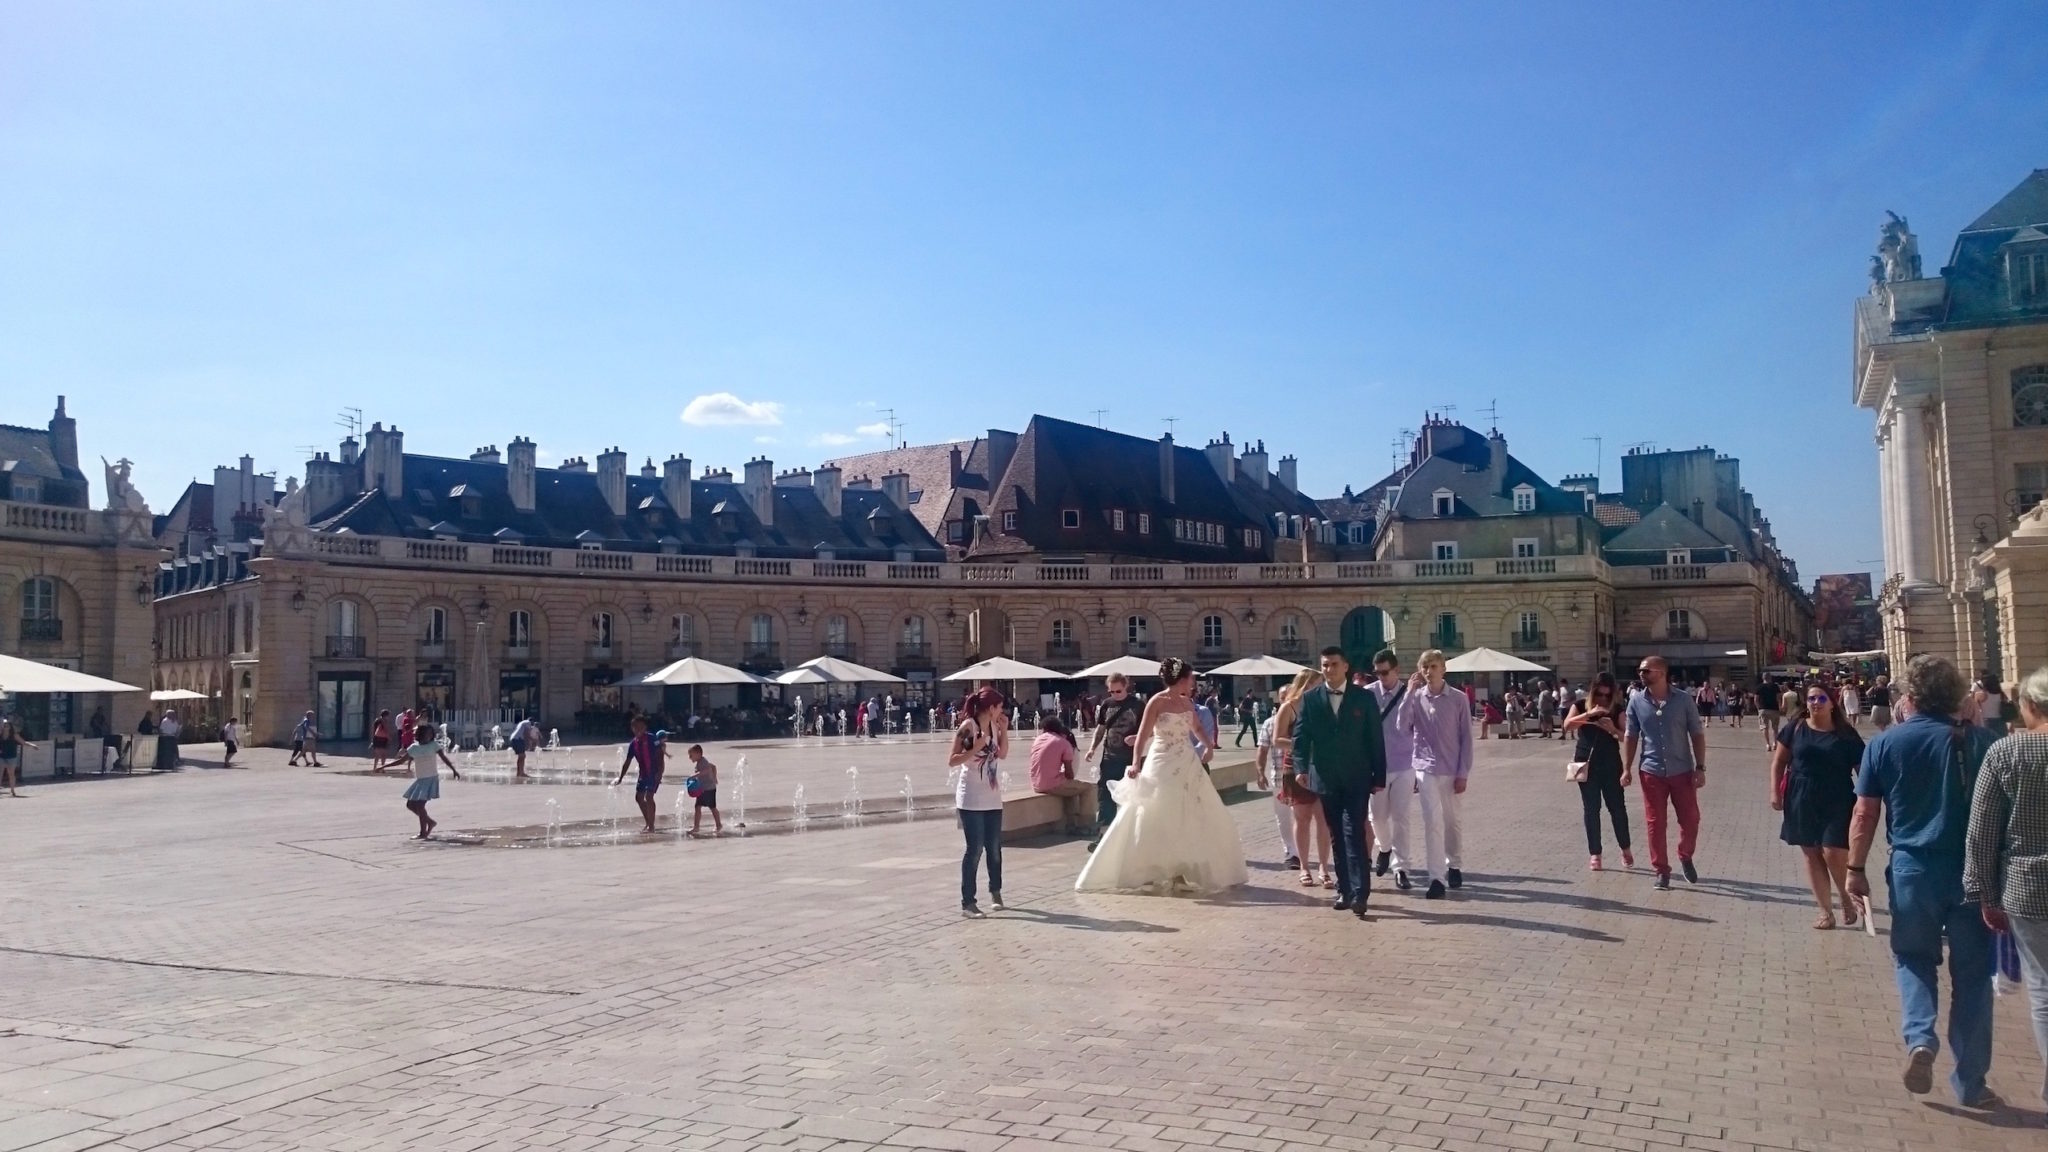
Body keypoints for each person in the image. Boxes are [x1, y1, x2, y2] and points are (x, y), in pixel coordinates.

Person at [1847, 654, 2000, 1108]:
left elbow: (1865, 812)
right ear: (1957, 695)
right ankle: (1972, 1083)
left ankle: (1920, 1039)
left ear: (1909, 697)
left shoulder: (1886, 744)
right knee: (1973, 976)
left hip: (1914, 869)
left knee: (1913, 958)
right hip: (1975, 871)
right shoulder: (1985, 742)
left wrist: (1855, 871)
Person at [1078, 658, 1248, 896]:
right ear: (1181, 679)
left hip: (1187, 762)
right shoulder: (1156, 702)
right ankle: (1152, 869)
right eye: (1191, 678)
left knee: (1188, 814)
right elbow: (1143, 735)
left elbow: (1196, 728)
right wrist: (1136, 762)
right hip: (1161, 761)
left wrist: (1208, 747)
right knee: (1157, 812)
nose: (1193, 683)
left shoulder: (1187, 702)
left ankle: (1181, 870)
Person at [1965, 665, 2048, 1110]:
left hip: (2029, 886)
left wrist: (1983, 893)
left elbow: (1981, 833)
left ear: (2030, 706)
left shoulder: (2005, 753)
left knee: (2044, 990)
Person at [1287, 647, 1387, 917]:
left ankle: (1360, 893)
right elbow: (1300, 737)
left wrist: (1380, 775)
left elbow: (1375, 738)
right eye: (1324, 665)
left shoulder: (1364, 698)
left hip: (1357, 775)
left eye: (1333, 664)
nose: (1328, 669)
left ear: (1346, 667)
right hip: (1325, 776)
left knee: (1353, 830)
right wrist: (1300, 767)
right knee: (1335, 834)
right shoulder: (1310, 698)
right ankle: (1343, 889)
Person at [1771, 683, 1864, 929]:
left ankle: (1845, 897)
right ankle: (1825, 911)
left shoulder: (1846, 734)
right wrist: (1774, 793)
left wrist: (1869, 799)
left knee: (1834, 851)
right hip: (1801, 795)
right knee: (1811, 853)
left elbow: (1862, 769)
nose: (1815, 702)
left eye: (1821, 698)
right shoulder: (1796, 727)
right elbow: (1779, 762)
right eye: (1811, 698)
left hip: (1838, 796)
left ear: (1833, 703)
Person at [1624, 655, 1707, 891]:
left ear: (1661, 673)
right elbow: (1631, 736)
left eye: (1646, 670)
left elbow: (1697, 734)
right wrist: (1626, 768)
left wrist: (1700, 767)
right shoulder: (1636, 702)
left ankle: (1685, 854)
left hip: (1682, 770)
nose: (1641, 674)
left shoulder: (1683, 700)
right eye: (1640, 670)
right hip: (1651, 771)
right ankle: (1661, 870)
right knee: (1655, 823)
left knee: (1691, 819)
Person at [1399, 649, 1474, 898]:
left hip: (1452, 769)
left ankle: (1454, 863)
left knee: (1453, 821)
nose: (1429, 671)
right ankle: (1436, 879)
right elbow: (1402, 726)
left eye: (1433, 666)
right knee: (1432, 821)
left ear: (1443, 669)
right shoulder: (1417, 697)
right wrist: (1409, 693)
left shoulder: (1458, 698)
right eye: (1425, 667)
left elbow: (1466, 738)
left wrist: (1463, 772)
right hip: (1425, 767)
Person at [1564, 673, 1632, 871]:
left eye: (1607, 696)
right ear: (1593, 692)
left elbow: (1626, 737)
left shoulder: (1617, 710)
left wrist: (1612, 729)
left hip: (1611, 764)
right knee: (1591, 809)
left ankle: (1625, 849)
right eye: (1600, 694)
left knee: (1617, 808)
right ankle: (1595, 854)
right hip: (1584, 764)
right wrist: (1588, 715)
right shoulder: (1579, 706)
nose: (1603, 699)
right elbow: (1567, 726)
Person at [952, 689, 1010, 917]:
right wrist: (975, 749)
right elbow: (952, 760)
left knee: (994, 848)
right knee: (974, 849)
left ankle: (995, 891)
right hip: (971, 799)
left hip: (993, 798)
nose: (1002, 711)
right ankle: (968, 903)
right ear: (991, 707)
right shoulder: (969, 727)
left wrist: (1004, 731)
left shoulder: (994, 727)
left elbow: (1002, 754)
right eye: (1000, 707)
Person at [1365, 650, 1419, 889]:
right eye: (1376, 672)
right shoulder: (1367, 694)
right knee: (1376, 817)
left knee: (1401, 818)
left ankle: (1402, 869)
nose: (1381, 677)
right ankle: (1384, 848)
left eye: (1385, 672)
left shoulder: (1411, 694)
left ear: (1396, 670)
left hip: (1405, 764)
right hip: (1376, 766)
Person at [1259, 672, 1315, 871]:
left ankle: (1305, 856)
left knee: (1310, 817)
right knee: (1286, 816)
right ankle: (1292, 853)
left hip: (1309, 771)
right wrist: (1259, 770)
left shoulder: (1313, 709)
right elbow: (1265, 747)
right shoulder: (1272, 721)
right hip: (1282, 773)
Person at [1085, 673, 1144, 848]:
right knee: (1105, 797)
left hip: (1130, 759)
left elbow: (1151, 729)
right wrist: (1092, 748)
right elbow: (1101, 728)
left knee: (1132, 798)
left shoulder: (1138, 705)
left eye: (1118, 691)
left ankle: (1133, 837)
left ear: (1126, 687)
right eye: (1111, 691)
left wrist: (1138, 737)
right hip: (1109, 757)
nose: (1115, 694)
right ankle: (1102, 837)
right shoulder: (1106, 704)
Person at [1028, 715, 1091, 835]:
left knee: (1071, 791)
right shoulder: (1063, 743)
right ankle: (1087, 824)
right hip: (1051, 785)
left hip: (1036, 784)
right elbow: (1069, 774)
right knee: (1089, 788)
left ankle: (1071, 825)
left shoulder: (1037, 740)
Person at [401, 721, 461, 839]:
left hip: (430, 778)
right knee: (410, 804)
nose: (428, 737)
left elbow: (444, 758)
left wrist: (454, 770)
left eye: (430, 734)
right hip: (420, 779)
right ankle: (430, 822)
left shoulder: (433, 745)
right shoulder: (414, 748)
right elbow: (401, 760)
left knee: (419, 805)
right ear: (419, 734)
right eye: (426, 734)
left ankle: (423, 833)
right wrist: (383, 767)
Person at [614, 715, 666, 834]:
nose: (638, 730)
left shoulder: (652, 739)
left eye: (640, 727)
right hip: (643, 774)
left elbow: (660, 755)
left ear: (645, 727)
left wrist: (660, 771)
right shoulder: (634, 744)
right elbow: (627, 761)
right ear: (632, 728)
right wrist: (620, 778)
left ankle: (651, 827)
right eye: (635, 727)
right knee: (638, 798)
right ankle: (648, 822)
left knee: (649, 797)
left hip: (654, 773)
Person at [686, 744, 722, 837]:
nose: (689, 758)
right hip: (702, 789)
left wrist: (695, 776)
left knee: (712, 807)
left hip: (709, 788)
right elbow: (713, 766)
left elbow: (706, 770)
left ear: (698, 754)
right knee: (697, 807)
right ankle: (696, 827)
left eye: (691, 755)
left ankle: (718, 824)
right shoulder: (700, 762)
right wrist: (715, 777)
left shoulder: (703, 761)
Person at [0, 716, 32, 797]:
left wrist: (32, 745)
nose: (5, 727)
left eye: (7, 725)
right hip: (2, 756)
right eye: (4, 725)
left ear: (10, 727)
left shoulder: (14, 735)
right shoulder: (0, 734)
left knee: (11, 773)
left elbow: (23, 742)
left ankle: (12, 790)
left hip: (11, 756)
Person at [1970, 673, 2007, 738]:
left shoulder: (1980, 695)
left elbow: (1975, 708)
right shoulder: (2001, 694)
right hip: (2000, 721)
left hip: (1986, 721)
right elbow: (2006, 707)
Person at [508, 715, 538, 779]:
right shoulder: (527, 723)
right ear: (532, 721)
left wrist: (528, 743)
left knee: (521, 756)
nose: (532, 726)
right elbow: (526, 733)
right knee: (522, 756)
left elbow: (524, 734)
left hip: (515, 739)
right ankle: (521, 773)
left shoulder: (522, 723)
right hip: (517, 739)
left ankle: (519, 772)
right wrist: (533, 740)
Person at [1760, 681, 1783, 751]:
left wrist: (1758, 708)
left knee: (1765, 727)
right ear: (1770, 678)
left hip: (1763, 709)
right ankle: (1775, 743)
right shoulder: (1775, 687)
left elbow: (1756, 699)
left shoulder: (1759, 687)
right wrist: (1780, 707)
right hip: (1774, 709)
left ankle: (1767, 744)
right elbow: (1779, 698)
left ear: (1763, 678)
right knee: (1775, 728)